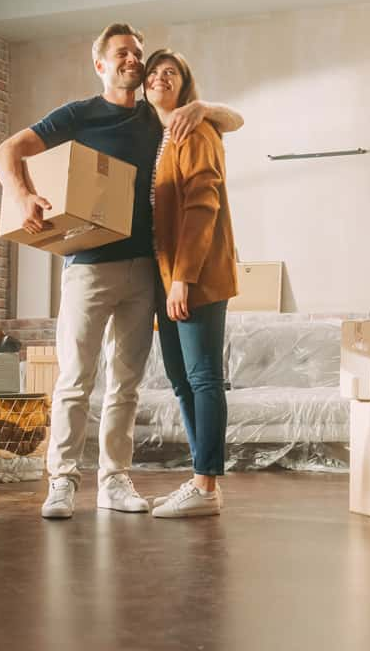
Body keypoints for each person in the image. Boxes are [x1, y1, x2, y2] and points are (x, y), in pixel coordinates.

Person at [0, 24, 242, 519]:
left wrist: (205, 107)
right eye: (123, 54)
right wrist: (21, 195)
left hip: (146, 270)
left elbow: (231, 122)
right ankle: (61, 480)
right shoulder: (80, 114)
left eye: (139, 55)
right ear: (101, 64)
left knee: (126, 384)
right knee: (75, 379)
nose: (134, 61)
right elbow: (6, 152)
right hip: (87, 267)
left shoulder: (161, 119)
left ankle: (114, 479)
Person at [142, 49, 238, 519]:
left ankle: (206, 484)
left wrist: (182, 279)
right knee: (181, 380)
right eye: (153, 73)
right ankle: (202, 479)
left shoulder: (195, 128)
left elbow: (203, 206)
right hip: (167, 277)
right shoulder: (159, 138)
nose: (160, 78)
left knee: (203, 379)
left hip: (194, 275)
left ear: (184, 85)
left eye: (171, 73)